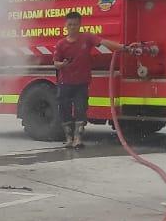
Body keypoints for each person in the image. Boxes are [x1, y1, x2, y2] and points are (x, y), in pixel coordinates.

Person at [51, 11, 133, 149]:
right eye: (70, 24)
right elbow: (55, 63)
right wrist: (62, 64)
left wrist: (123, 48)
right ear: (66, 25)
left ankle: (78, 138)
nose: (72, 27)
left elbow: (104, 42)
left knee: (80, 110)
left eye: (75, 24)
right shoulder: (61, 44)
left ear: (80, 24)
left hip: (81, 83)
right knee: (64, 110)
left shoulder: (87, 37)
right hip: (65, 84)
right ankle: (69, 138)